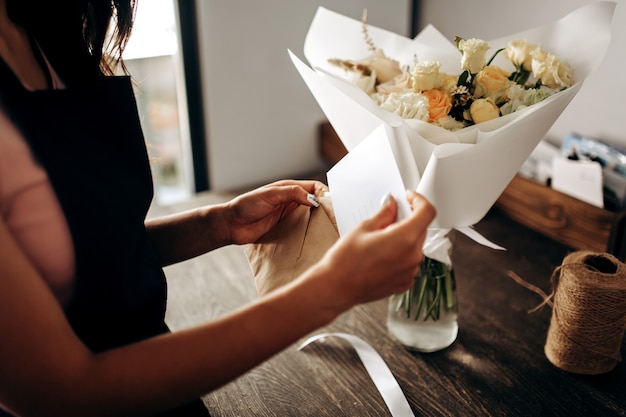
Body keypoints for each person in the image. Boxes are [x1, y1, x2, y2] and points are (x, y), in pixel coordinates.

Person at [0, 0, 436, 416]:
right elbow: (66, 393)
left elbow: (92, 249)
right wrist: (331, 290)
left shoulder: (47, 35)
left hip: (160, 380)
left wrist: (219, 223)